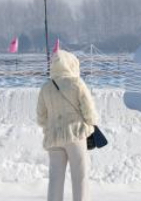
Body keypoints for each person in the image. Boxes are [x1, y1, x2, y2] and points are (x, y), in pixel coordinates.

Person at [36, 50, 98, 201]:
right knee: (80, 178)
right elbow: (90, 112)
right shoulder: (77, 83)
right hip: (76, 135)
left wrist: (49, 128)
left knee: (55, 180)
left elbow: (41, 117)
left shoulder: (46, 87)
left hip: (54, 139)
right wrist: (90, 125)